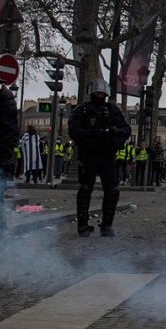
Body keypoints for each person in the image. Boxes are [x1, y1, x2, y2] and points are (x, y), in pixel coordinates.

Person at [70, 79, 131, 237]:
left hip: (107, 155)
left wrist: (114, 134)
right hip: (88, 155)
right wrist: (95, 135)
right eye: (97, 92)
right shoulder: (82, 110)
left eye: (102, 93)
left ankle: (107, 225)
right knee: (85, 190)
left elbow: (126, 130)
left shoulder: (112, 110)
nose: (99, 95)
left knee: (112, 190)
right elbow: (74, 131)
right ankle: (83, 225)